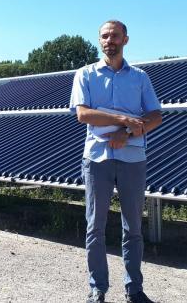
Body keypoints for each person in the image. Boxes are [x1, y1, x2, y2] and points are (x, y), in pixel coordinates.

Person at [70, 20, 163, 303]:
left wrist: (126, 131)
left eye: (115, 36)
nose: (109, 40)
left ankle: (134, 289)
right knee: (94, 227)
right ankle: (97, 288)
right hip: (96, 158)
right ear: (100, 41)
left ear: (125, 40)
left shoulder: (140, 78)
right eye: (104, 36)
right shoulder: (85, 75)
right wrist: (121, 118)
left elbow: (155, 115)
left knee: (132, 227)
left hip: (132, 158)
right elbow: (83, 115)